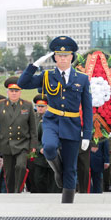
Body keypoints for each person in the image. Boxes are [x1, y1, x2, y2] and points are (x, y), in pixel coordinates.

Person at [17, 36, 92, 203]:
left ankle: (67, 203)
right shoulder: (46, 76)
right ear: (55, 58)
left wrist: (87, 134)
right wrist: (34, 65)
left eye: (66, 55)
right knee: (49, 148)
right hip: (52, 120)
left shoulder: (82, 79)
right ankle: (58, 171)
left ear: (72, 57)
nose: (63, 59)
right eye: (59, 55)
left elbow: (87, 108)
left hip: (72, 123)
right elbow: (22, 83)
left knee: (71, 167)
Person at [0, 77, 38, 193]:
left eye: (16, 91)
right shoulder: (0, 105)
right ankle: (11, 192)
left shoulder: (27, 105)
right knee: (9, 172)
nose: (14, 93)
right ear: (7, 92)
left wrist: (33, 144)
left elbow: (33, 127)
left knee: (20, 166)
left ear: (20, 92)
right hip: (6, 143)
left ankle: (18, 189)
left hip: (22, 143)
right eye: (11, 91)